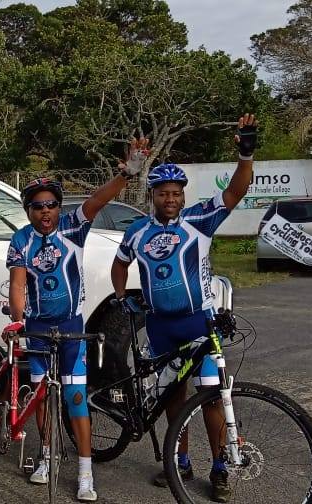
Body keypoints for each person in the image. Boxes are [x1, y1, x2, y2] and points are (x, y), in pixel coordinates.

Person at [110, 114, 258, 503]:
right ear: (152, 196)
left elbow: (236, 191)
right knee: (173, 397)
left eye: (176, 193)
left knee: (211, 395)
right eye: (163, 193)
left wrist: (245, 154)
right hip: (160, 327)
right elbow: (119, 265)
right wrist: (123, 296)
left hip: (198, 323)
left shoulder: (199, 220)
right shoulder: (137, 231)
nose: (170, 199)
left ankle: (221, 467)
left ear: (183, 196)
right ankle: (181, 462)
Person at [3, 138, 149, 501]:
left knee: (76, 397)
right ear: (28, 210)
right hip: (38, 329)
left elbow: (97, 200)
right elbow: (17, 285)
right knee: (41, 397)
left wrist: (126, 175)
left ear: (59, 206)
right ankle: (47, 456)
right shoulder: (20, 240)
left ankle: (85, 472)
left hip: (70, 327)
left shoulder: (72, 227)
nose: (45, 212)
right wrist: (18, 322)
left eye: (51, 204)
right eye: (37, 207)